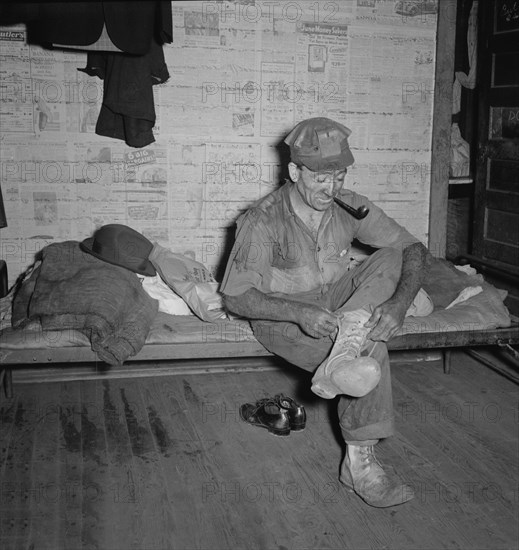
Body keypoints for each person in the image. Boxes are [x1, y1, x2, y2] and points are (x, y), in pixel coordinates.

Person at [220, 117, 431, 508]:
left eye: (338, 176)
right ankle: (360, 467)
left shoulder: (349, 205)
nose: (330, 188)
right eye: (320, 178)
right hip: (282, 317)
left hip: (337, 301)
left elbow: (414, 249)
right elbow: (236, 298)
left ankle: (345, 346)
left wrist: (400, 303)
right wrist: (299, 313)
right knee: (372, 348)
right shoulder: (263, 219)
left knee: (389, 258)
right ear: (295, 171)